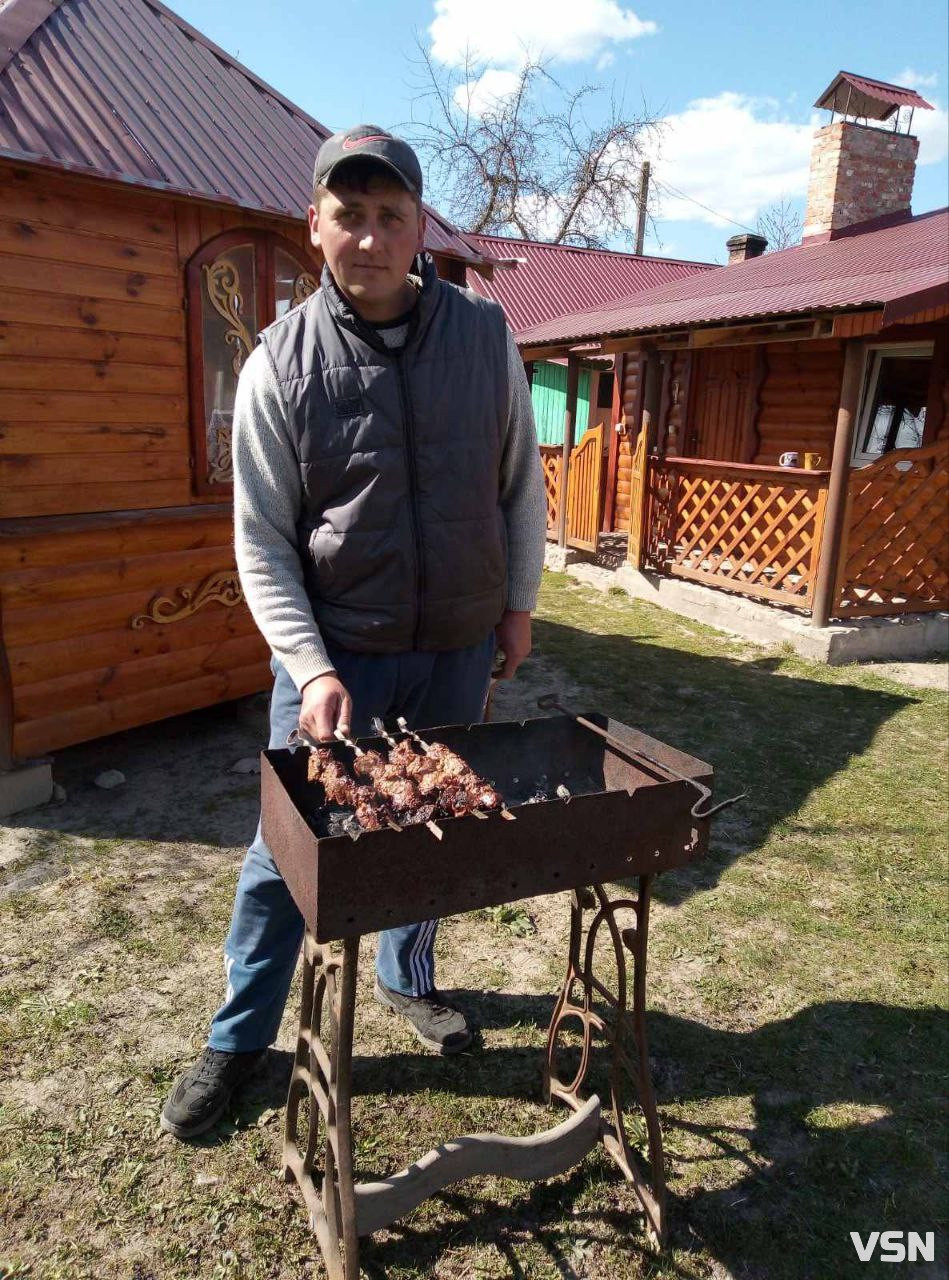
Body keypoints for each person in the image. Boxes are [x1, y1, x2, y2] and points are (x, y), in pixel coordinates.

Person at [160, 126, 546, 1139]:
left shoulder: (483, 333)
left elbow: (518, 483)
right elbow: (262, 543)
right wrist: (309, 664)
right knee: (284, 852)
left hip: (456, 643)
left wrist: (518, 605)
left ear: (419, 226)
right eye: (349, 216)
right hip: (338, 658)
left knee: (427, 830)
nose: (369, 238)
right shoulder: (277, 367)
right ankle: (240, 1037)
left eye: (390, 216)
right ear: (314, 226)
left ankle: (406, 977)